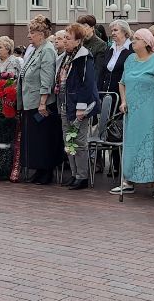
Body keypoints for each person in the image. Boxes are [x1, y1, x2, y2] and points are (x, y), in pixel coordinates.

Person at [116, 27, 154, 197]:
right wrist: (124, 101)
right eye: (133, 39)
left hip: (152, 111)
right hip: (133, 111)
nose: (133, 42)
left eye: (136, 39)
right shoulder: (130, 60)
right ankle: (129, 181)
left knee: (153, 144)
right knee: (132, 144)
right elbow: (122, 82)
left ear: (146, 42)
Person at [55, 23, 99, 191]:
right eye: (64, 38)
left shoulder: (84, 57)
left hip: (78, 106)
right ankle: (74, 174)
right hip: (65, 104)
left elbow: (86, 84)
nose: (65, 41)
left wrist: (81, 108)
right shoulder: (66, 56)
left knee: (79, 141)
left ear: (78, 40)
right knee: (68, 140)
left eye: (68, 38)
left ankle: (82, 176)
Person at [19, 19, 60, 184]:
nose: (29, 36)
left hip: (41, 103)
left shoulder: (47, 51)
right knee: (35, 139)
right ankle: (38, 170)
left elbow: (47, 78)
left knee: (43, 139)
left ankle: (46, 172)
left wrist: (43, 102)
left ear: (42, 35)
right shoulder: (36, 50)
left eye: (32, 33)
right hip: (30, 101)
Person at [99, 20, 133, 96]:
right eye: (112, 31)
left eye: (116, 30)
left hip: (124, 94)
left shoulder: (132, 50)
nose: (113, 33)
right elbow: (103, 72)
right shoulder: (109, 49)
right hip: (107, 93)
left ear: (125, 32)